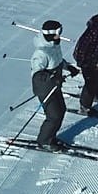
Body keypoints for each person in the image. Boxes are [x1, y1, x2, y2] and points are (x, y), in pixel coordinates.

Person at [30, 20, 78, 151]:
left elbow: (57, 60)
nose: (60, 35)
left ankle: (51, 136)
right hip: (45, 89)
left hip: (55, 86)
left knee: (61, 110)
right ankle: (44, 141)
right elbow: (37, 75)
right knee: (54, 116)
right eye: (58, 33)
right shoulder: (41, 53)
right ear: (50, 34)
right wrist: (52, 79)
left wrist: (68, 67)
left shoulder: (54, 45)